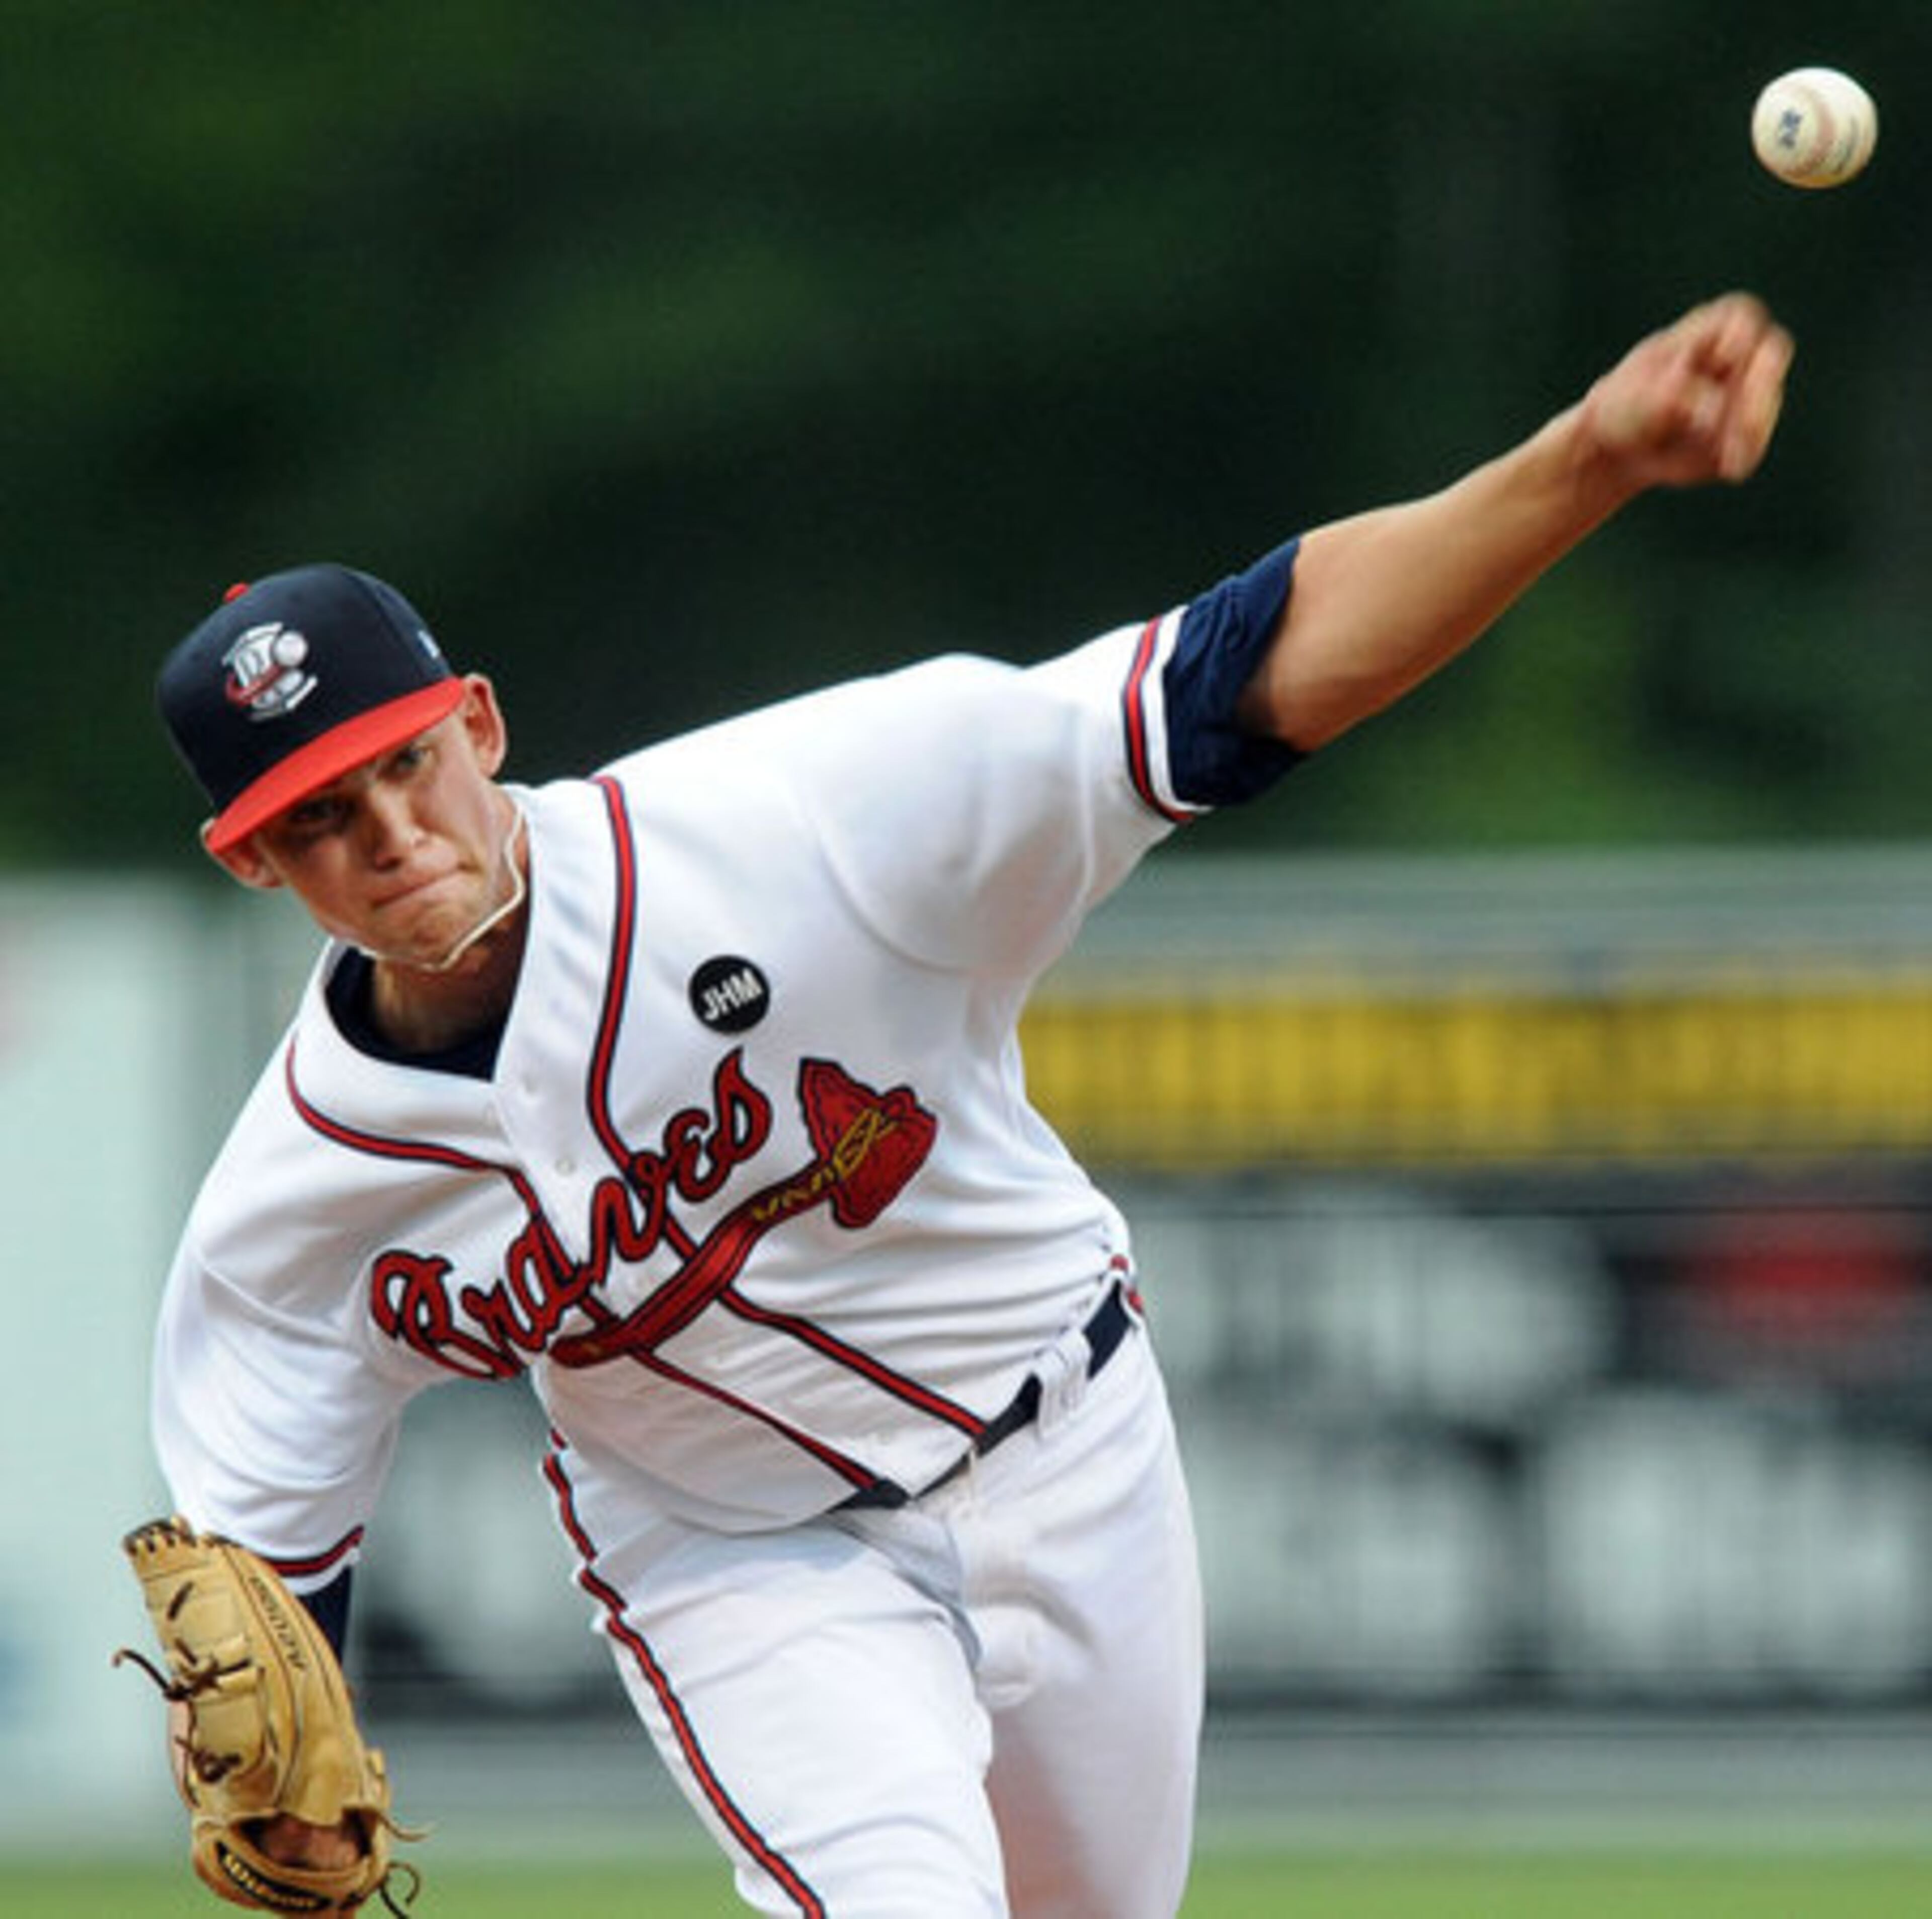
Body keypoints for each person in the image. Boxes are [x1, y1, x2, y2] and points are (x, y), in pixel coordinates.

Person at [142, 292, 1792, 1917]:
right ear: (256, 861)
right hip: (741, 1565)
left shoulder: (800, 822)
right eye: (315, 817)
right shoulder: (294, 1206)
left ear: (478, 726)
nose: (387, 834)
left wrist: (1585, 461)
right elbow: (269, 1580)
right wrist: (298, 1751)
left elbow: (1240, 673)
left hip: (1073, 1443)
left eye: (404, 766)